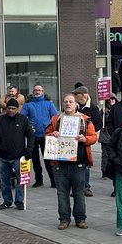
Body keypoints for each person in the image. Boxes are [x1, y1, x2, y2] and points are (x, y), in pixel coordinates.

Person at [47, 94, 97, 229]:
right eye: (65, 102)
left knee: (79, 193)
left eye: (71, 102)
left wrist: (85, 139)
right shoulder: (56, 120)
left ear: (76, 104)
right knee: (62, 193)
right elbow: (46, 134)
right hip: (60, 164)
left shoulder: (85, 120)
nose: (68, 104)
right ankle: (64, 219)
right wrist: (52, 135)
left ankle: (80, 219)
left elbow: (93, 137)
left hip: (79, 164)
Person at [0, 97, 34, 210]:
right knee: (4, 181)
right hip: (3, 156)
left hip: (18, 156)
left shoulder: (23, 120)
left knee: (20, 180)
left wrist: (29, 149)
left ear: (17, 109)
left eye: (13, 108)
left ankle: (19, 201)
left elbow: (30, 135)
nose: (11, 110)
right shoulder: (1, 120)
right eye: (9, 108)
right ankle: (7, 201)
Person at [20, 83, 58, 189]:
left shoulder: (49, 103)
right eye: (36, 90)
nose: (38, 92)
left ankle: (53, 180)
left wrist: (53, 130)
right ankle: (39, 180)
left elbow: (55, 118)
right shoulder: (28, 104)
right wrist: (28, 127)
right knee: (35, 160)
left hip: (46, 136)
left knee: (48, 159)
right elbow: (22, 118)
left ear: (43, 91)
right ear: (33, 91)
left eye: (40, 90)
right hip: (33, 136)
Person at [73, 84, 103, 195]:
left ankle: (86, 186)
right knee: (74, 164)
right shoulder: (74, 106)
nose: (74, 96)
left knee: (85, 164)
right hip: (73, 139)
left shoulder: (93, 108)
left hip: (85, 140)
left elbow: (99, 123)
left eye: (76, 94)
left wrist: (90, 132)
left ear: (83, 96)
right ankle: (76, 187)